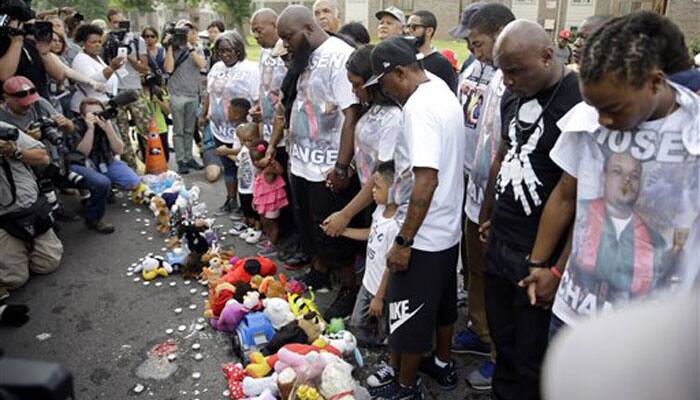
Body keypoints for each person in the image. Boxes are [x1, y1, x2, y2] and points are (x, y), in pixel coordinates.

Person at [522, 11, 700, 339]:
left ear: (655, 81)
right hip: (575, 314)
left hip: (657, 332)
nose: (602, 120)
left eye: (614, 109)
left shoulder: (694, 131)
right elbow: (566, 196)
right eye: (595, 107)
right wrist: (541, 265)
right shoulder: (585, 119)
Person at [477, 20, 582, 400]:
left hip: (540, 255)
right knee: (503, 340)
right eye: (501, 70)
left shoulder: (579, 102)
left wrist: (557, 268)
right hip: (501, 241)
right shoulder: (513, 93)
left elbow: (579, 197)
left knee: (532, 357)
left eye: (515, 70)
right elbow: (504, 153)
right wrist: (489, 210)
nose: (506, 80)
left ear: (547, 55)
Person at [364, 36, 465, 398]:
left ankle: (406, 385)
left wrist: (403, 241)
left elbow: (426, 179)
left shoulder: (419, 108)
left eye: (384, 83)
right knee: (442, 306)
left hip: (423, 232)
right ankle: (440, 362)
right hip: (446, 228)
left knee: (406, 313)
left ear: (400, 72)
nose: (385, 92)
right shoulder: (437, 86)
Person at [276, 5, 363, 319]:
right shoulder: (305, 56)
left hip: (328, 165)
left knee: (333, 231)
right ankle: (319, 272)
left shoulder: (338, 56)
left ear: (308, 29)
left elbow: (351, 114)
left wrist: (342, 166)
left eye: (288, 37)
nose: (285, 44)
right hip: (302, 161)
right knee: (310, 225)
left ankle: (349, 288)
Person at [451, 2, 515, 391]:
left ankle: (497, 350)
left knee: (494, 276)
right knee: (473, 267)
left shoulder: (512, 76)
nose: (473, 51)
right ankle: (478, 326)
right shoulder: (474, 67)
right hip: (469, 187)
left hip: (493, 195)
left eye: (478, 42)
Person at [322, 45, 402, 255]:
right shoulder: (372, 108)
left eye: (357, 85)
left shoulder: (393, 118)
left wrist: (346, 214)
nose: (353, 91)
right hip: (368, 195)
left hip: (384, 200)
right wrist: (348, 168)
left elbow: (382, 172)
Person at [0, 121, 62, 301]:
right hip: (3, 218)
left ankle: (24, 248)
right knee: (15, 279)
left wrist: (14, 152)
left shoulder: (3, 129)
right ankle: (16, 253)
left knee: (49, 264)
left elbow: (43, 157)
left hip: (30, 208)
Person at [202, 31, 259, 214]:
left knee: (244, 167)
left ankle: (248, 208)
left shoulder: (250, 70)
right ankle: (230, 200)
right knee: (227, 166)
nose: (225, 55)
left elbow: (257, 100)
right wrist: (203, 115)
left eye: (229, 50)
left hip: (243, 131)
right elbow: (209, 93)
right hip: (219, 128)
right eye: (220, 51)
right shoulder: (217, 67)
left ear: (238, 49)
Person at [343, 161, 399, 347]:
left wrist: (379, 297)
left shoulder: (396, 226)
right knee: (356, 325)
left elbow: (390, 266)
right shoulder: (380, 210)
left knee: (386, 333)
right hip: (368, 283)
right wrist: (343, 231)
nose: (372, 191)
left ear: (394, 190)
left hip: (382, 291)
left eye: (377, 187)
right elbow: (371, 233)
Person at [67, 97, 141, 233]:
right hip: (84, 165)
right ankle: (90, 204)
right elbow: (81, 154)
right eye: (93, 114)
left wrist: (108, 129)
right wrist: (90, 130)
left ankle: (106, 191)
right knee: (100, 182)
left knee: (133, 181)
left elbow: (119, 150)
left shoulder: (107, 123)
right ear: (83, 115)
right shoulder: (76, 125)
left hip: (106, 161)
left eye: (99, 113)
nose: (97, 117)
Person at [106, 10, 151, 170]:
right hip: (116, 91)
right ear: (110, 23)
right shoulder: (107, 40)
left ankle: (153, 163)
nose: (119, 25)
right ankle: (130, 168)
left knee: (146, 127)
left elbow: (145, 69)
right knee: (122, 133)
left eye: (121, 21)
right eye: (115, 22)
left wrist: (129, 57)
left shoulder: (137, 40)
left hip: (134, 89)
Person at [164, 20, 207, 174]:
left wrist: (190, 48)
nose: (190, 35)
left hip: (192, 94)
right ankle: (181, 160)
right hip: (177, 94)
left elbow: (202, 65)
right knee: (178, 131)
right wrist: (169, 47)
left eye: (192, 32)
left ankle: (189, 158)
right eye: (186, 33)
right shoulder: (173, 49)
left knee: (190, 129)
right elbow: (168, 68)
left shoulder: (197, 49)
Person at [70, 23, 124, 113]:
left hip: (104, 106)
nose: (98, 45)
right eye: (93, 42)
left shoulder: (97, 57)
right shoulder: (81, 59)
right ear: (83, 43)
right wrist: (112, 68)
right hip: (89, 109)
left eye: (99, 42)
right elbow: (92, 81)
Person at [405, 10, 458, 93]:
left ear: (429, 31)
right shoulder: (403, 58)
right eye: (407, 26)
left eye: (413, 27)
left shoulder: (442, 64)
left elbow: (449, 99)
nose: (408, 31)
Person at [251, 139, 289, 255]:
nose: (256, 163)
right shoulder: (260, 171)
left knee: (272, 223)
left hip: (273, 203)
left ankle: (272, 244)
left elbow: (281, 170)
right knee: (265, 221)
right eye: (254, 160)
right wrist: (254, 199)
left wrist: (272, 161)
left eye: (259, 159)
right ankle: (268, 239)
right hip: (262, 202)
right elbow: (258, 189)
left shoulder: (270, 169)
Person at [233, 122, 263, 243]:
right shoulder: (244, 150)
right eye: (244, 141)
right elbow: (238, 161)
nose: (247, 144)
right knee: (246, 208)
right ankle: (250, 227)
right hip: (243, 185)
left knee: (255, 210)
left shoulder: (259, 151)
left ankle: (258, 229)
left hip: (254, 187)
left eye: (250, 140)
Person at [138, 75, 171, 162]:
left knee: (165, 157)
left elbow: (167, 111)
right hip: (144, 129)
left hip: (160, 128)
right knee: (148, 158)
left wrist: (158, 101)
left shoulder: (160, 92)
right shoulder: (139, 93)